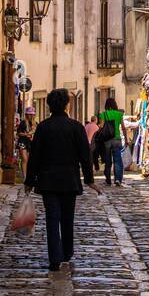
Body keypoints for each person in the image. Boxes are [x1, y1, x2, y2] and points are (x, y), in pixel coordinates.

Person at [24, 88, 98, 271]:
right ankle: (66, 252)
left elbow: (35, 157)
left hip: (48, 181)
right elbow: (85, 156)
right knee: (67, 218)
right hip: (69, 180)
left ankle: (54, 258)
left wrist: (29, 181)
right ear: (66, 105)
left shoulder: (43, 128)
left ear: (49, 106)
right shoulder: (76, 127)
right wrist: (89, 179)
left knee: (52, 218)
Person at [100, 96, 126, 187]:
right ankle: (118, 179)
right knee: (117, 160)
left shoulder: (104, 114)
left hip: (107, 140)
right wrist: (126, 139)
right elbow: (123, 127)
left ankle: (108, 180)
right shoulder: (119, 114)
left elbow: (101, 126)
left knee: (108, 161)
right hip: (117, 139)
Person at [16, 109, 36, 180]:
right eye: (29, 114)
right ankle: (24, 176)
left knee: (29, 160)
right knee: (24, 159)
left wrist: (32, 136)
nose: (31, 116)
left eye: (32, 114)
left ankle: (28, 175)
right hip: (22, 142)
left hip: (30, 142)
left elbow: (36, 134)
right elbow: (18, 133)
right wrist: (26, 134)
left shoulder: (35, 124)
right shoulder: (23, 123)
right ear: (26, 115)